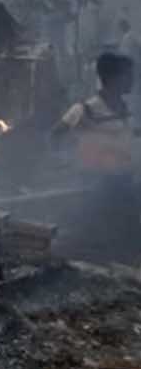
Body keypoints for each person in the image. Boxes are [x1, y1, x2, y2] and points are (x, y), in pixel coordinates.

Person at [52, 52, 137, 258]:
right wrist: (71, 159)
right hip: (98, 184)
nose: (133, 80)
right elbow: (56, 135)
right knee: (102, 238)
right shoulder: (86, 109)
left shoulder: (126, 109)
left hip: (125, 180)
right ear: (113, 78)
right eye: (129, 75)